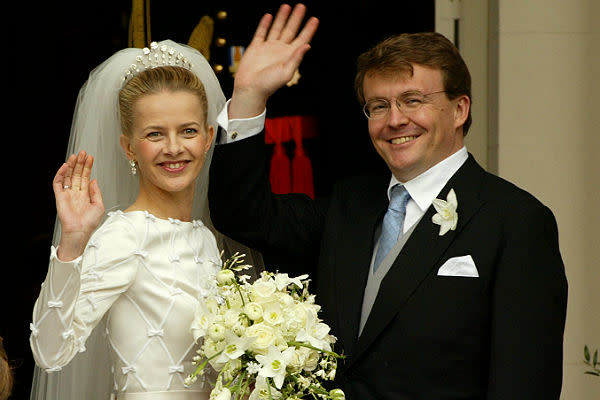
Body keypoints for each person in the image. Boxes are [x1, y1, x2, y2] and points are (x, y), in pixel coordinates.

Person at [207, 4, 569, 399]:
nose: (394, 120)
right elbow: (244, 214)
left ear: (459, 109)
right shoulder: (350, 203)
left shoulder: (515, 222)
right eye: (378, 106)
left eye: (413, 100)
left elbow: (524, 384)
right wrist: (248, 96)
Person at [30, 40, 229, 399]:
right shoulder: (124, 236)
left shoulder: (206, 239)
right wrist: (73, 242)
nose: (174, 148)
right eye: (155, 133)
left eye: (188, 130)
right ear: (129, 147)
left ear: (208, 138)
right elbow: (49, 352)